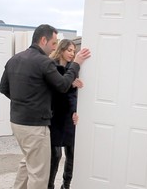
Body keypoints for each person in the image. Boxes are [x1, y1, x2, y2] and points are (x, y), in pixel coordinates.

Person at [0, 24, 91, 189]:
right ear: (43, 40)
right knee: (39, 174)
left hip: (17, 123)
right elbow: (63, 85)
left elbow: (4, 88)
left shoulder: (15, 59)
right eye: (54, 43)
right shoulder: (44, 62)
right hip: (34, 127)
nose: (54, 47)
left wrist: (25, 102)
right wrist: (76, 64)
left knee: (27, 162)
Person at [48, 39, 82, 189]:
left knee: (72, 153)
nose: (72, 54)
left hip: (68, 117)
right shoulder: (51, 67)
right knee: (56, 155)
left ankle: (66, 185)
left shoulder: (73, 69)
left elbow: (73, 95)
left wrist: (75, 111)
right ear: (61, 49)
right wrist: (70, 84)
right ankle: (49, 185)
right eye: (69, 50)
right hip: (54, 116)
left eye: (74, 51)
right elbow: (54, 91)